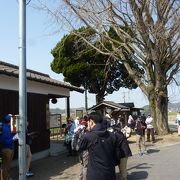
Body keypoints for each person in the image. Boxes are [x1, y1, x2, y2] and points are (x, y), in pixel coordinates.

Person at [78, 112, 117, 180]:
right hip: (110, 173)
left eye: (88, 122)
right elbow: (116, 155)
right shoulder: (112, 135)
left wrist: (86, 132)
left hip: (94, 174)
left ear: (91, 121)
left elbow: (79, 147)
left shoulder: (88, 136)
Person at [1, 114, 15, 180]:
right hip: (8, 149)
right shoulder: (6, 128)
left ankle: (7, 177)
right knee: (7, 166)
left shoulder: (4, 126)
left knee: (4, 165)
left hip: (6, 148)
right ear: (10, 120)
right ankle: (6, 178)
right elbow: (4, 141)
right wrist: (13, 139)